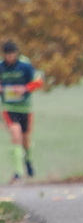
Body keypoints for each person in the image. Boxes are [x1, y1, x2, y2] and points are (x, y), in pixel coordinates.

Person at [0, 40, 39, 180]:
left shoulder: (25, 66)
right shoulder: (1, 67)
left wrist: (25, 88)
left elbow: (38, 81)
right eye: (7, 55)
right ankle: (18, 172)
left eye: (12, 54)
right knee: (15, 134)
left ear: (16, 53)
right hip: (9, 108)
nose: (10, 57)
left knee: (26, 139)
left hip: (25, 108)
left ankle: (28, 161)